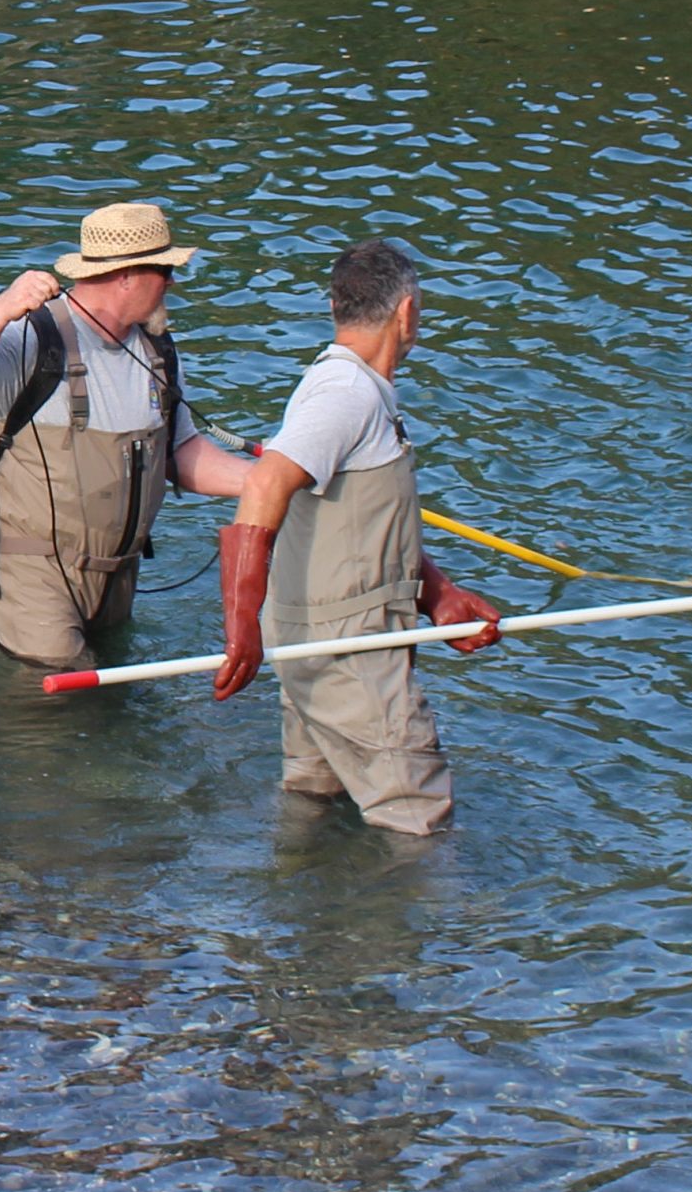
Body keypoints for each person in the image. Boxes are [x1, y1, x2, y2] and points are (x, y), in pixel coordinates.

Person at [213, 239, 505, 835]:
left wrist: (437, 593)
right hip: (352, 656)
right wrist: (239, 622)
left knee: (315, 805)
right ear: (408, 312)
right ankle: (425, 929)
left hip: (316, 645)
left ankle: (299, 919)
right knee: (418, 822)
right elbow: (266, 484)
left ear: (334, 307)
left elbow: (356, 518)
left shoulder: (349, 388)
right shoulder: (346, 395)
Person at [0, 202, 262, 668]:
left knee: (112, 701)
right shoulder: (33, 339)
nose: (172, 284)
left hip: (118, 575)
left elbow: (178, 453)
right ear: (128, 276)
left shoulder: (157, 349)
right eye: (166, 272)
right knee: (54, 711)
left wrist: (266, 481)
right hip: (33, 573)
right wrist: (3, 305)